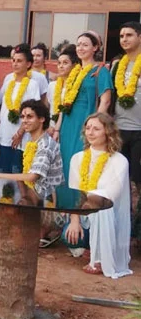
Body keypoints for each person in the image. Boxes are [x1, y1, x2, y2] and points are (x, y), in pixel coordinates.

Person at [63, 113, 132, 279]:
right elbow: (75, 194)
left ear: (108, 132)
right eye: (87, 128)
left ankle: (100, 257)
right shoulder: (78, 159)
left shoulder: (119, 161)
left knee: (100, 204)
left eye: (96, 129)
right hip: (84, 214)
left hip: (109, 216)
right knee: (70, 236)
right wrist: (74, 221)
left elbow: (109, 196)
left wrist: (92, 200)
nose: (90, 132)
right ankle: (89, 247)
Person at [57, 31, 113, 208]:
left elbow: (106, 100)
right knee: (66, 165)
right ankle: (64, 215)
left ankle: (80, 217)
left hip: (86, 124)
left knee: (82, 166)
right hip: (68, 125)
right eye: (78, 44)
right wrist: (57, 128)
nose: (80, 48)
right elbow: (64, 101)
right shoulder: (74, 72)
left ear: (95, 48)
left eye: (85, 44)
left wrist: (94, 125)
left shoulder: (100, 71)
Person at [0, 100, 63, 203]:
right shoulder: (32, 142)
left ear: (42, 119)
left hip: (48, 203)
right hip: (35, 198)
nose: (24, 120)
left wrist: (0, 175)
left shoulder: (46, 144)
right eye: (23, 117)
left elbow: (32, 176)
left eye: (29, 117)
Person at [111, 22, 141, 246]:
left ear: (139, 37)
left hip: (140, 131)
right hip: (120, 131)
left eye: (129, 35)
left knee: (138, 183)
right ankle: (120, 231)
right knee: (118, 183)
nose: (124, 39)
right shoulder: (116, 65)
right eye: (121, 36)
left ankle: (136, 235)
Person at [0, 44, 41, 174]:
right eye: (14, 60)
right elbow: (0, 103)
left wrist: (20, 132)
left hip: (21, 137)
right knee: (2, 173)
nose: (15, 64)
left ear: (28, 64)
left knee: (17, 174)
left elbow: (33, 111)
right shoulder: (8, 80)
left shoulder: (32, 85)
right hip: (5, 135)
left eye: (19, 61)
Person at [47, 45, 79, 134]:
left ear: (74, 65)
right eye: (59, 63)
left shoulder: (76, 86)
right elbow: (48, 108)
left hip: (69, 129)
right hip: (52, 129)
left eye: (65, 63)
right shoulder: (52, 85)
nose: (61, 66)